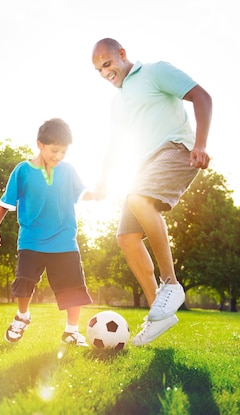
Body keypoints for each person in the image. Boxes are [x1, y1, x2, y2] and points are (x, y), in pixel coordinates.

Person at [91, 38, 212, 346]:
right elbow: (115, 145)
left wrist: (199, 144)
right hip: (145, 165)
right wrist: (104, 179)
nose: (105, 72)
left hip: (177, 149)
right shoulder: (118, 104)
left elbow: (202, 96)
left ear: (122, 54)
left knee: (138, 198)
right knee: (126, 238)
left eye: (107, 64)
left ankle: (170, 284)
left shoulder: (156, 72)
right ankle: (159, 314)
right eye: (98, 70)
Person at [0, 118, 101, 346]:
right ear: (40, 144)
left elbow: (82, 194)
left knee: (73, 287)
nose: (58, 156)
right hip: (31, 240)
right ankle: (22, 317)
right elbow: (5, 202)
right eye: (54, 150)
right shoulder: (22, 170)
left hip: (64, 240)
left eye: (64, 151)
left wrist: (98, 193)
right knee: (23, 282)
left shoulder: (68, 170)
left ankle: (71, 331)